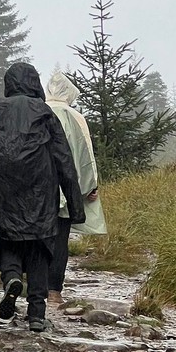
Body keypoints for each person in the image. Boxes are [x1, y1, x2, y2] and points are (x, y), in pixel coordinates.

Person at [0, 61, 85, 333]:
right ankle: (36, 313)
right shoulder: (44, 113)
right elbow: (64, 161)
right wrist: (75, 206)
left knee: (6, 240)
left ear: (9, 84)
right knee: (39, 248)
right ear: (35, 83)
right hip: (40, 193)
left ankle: (12, 277)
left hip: (2, 193)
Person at [44, 69, 107, 306]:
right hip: (67, 186)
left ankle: (35, 286)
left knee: (38, 235)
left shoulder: (37, 111)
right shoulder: (75, 117)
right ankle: (54, 291)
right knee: (60, 237)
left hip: (38, 187)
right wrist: (91, 184)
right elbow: (86, 154)